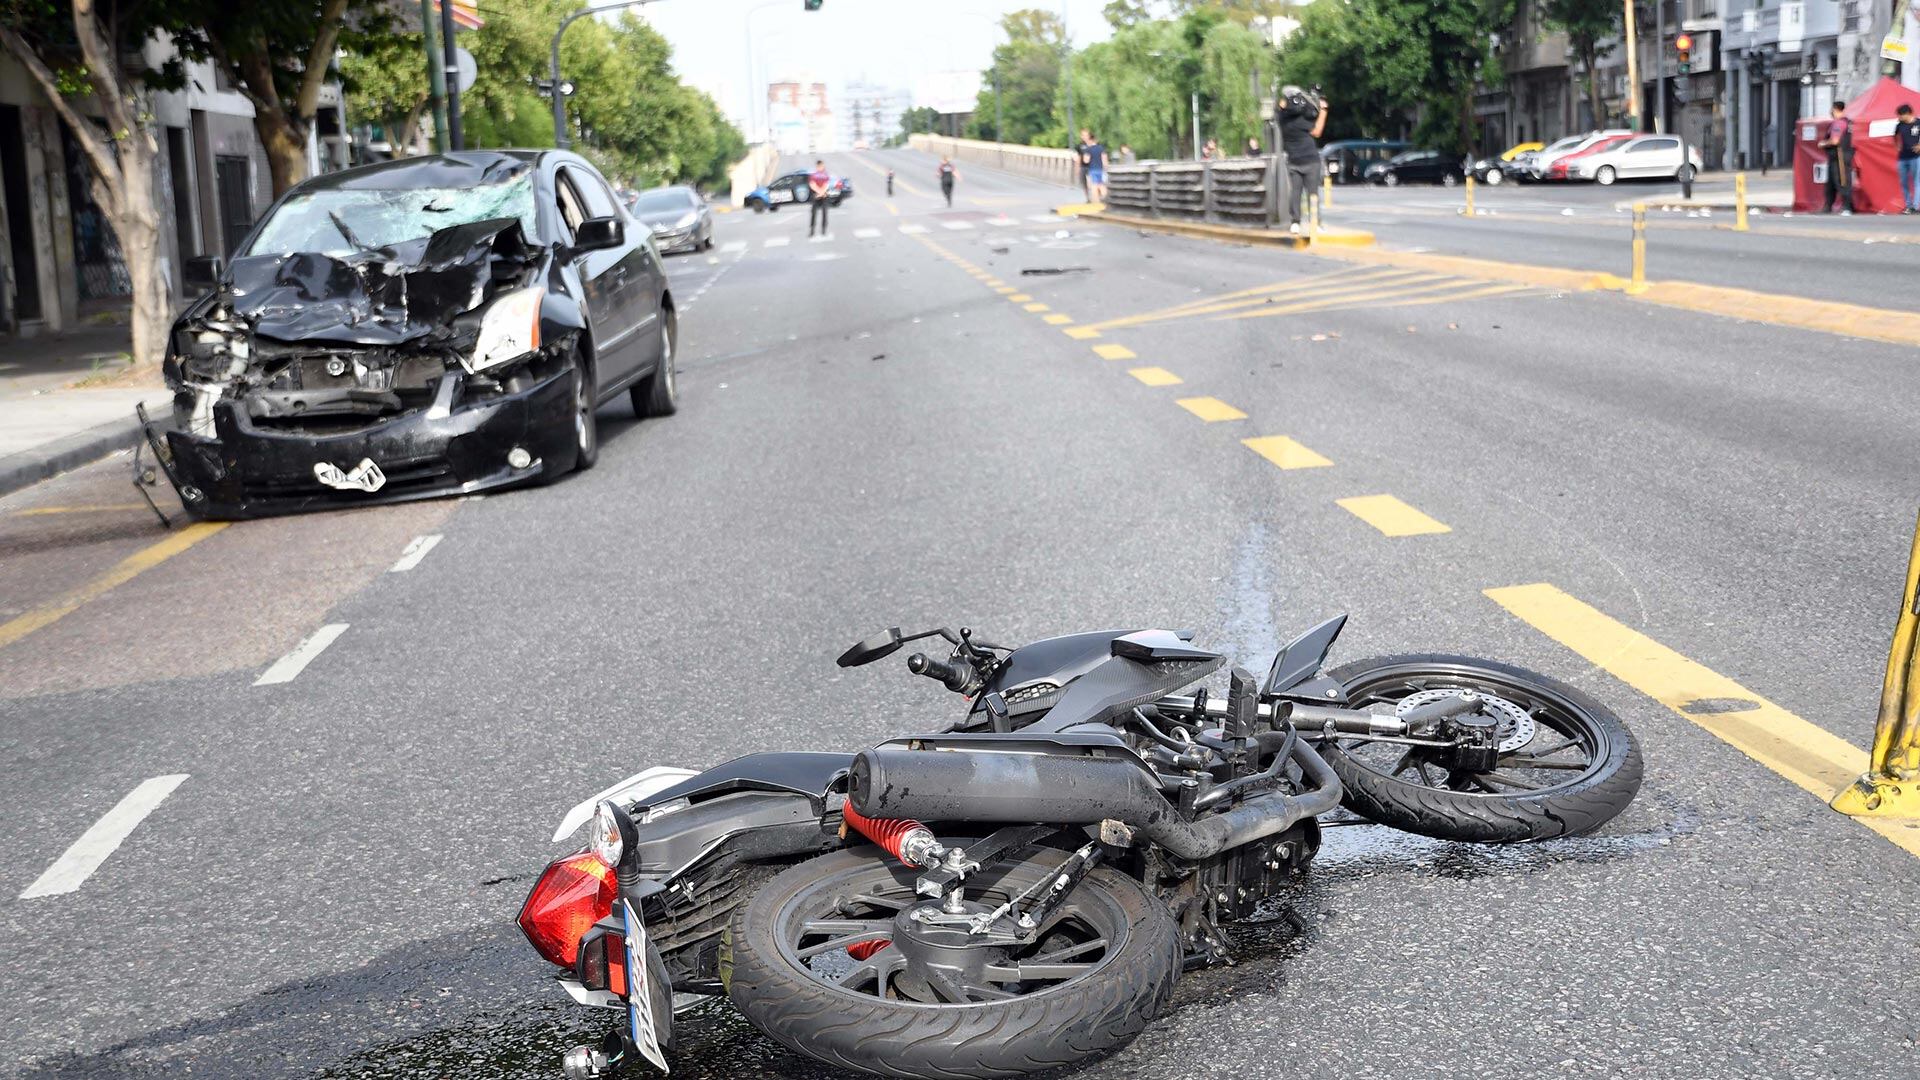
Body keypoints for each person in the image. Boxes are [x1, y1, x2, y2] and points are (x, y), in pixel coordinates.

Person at [1277, 85, 1328, 235]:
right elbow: (1317, 131)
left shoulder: (1282, 120)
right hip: (1311, 160)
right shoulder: (1302, 120)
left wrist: (1284, 102)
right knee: (1313, 194)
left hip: (1293, 161)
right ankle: (1316, 224)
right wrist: (1324, 111)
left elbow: (1281, 107)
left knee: (1295, 193)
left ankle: (1295, 223)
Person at [1818, 101, 1853, 216]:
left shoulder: (1839, 123)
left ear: (1836, 109)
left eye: (1832, 109)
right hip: (1838, 157)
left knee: (1842, 181)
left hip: (1840, 157)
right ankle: (1828, 206)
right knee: (1831, 183)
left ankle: (1847, 207)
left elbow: (1835, 141)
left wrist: (1823, 143)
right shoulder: (1846, 122)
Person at [1897, 103, 1920, 214]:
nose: (1899, 117)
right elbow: (1895, 136)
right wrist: (1896, 146)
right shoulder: (1900, 125)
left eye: (1901, 115)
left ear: (1907, 114)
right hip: (1902, 157)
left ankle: (1915, 206)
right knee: (1903, 182)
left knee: (1917, 181)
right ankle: (1908, 205)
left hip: (1916, 157)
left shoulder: (1918, 123)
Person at [1079, 130, 1109, 203]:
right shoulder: (1101, 148)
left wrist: (1084, 158)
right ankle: (1106, 199)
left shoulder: (1088, 149)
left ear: (1090, 140)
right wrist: (1106, 167)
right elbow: (1105, 159)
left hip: (1092, 169)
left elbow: (1086, 161)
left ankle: (1096, 201)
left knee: (1094, 186)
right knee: (1101, 184)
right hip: (1100, 169)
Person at [807, 159, 831, 236]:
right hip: (816, 195)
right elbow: (812, 185)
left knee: (824, 212)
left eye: (822, 166)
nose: (821, 167)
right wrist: (819, 193)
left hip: (823, 195)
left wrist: (821, 193)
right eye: (819, 166)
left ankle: (823, 228)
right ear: (817, 166)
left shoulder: (826, 175)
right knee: (813, 213)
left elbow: (826, 185)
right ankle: (812, 229)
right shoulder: (813, 175)